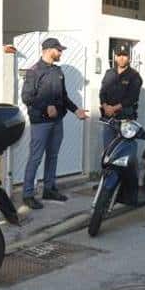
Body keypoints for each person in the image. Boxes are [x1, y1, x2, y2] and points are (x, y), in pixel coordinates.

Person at [21, 38, 89, 210]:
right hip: (41, 122)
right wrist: (45, 107)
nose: (60, 53)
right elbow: (26, 97)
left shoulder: (58, 71)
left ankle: (49, 189)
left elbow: (63, 97)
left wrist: (76, 110)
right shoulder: (34, 71)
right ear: (48, 50)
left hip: (57, 121)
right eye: (58, 50)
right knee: (35, 158)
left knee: (53, 156)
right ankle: (28, 194)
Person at [99, 42, 143, 149]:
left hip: (126, 122)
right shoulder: (109, 73)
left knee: (124, 152)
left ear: (129, 57)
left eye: (124, 55)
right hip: (109, 120)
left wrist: (113, 108)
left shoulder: (134, 76)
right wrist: (105, 106)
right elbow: (102, 92)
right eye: (119, 55)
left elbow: (132, 98)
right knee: (108, 152)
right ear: (115, 57)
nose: (121, 58)